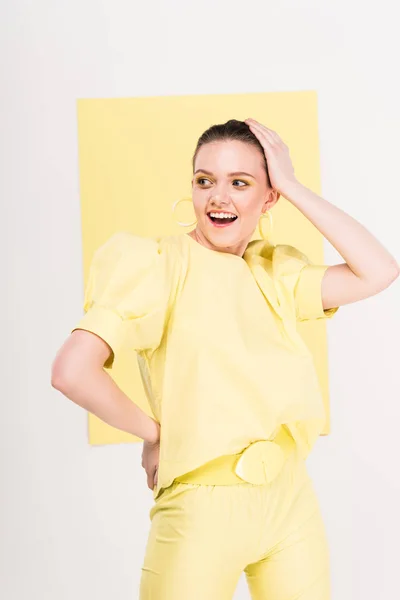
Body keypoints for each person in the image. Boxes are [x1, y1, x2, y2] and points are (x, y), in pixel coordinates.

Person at [51, 118, 399, 599]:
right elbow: (71, 371)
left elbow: (379, 270)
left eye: (241, 183)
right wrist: (155, 433)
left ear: (269, 197)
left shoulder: (273, 271)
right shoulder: (158, 264)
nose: (219, 196)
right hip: (200, 509)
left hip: (290, 499)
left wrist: (294, 185)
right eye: (204, 180)